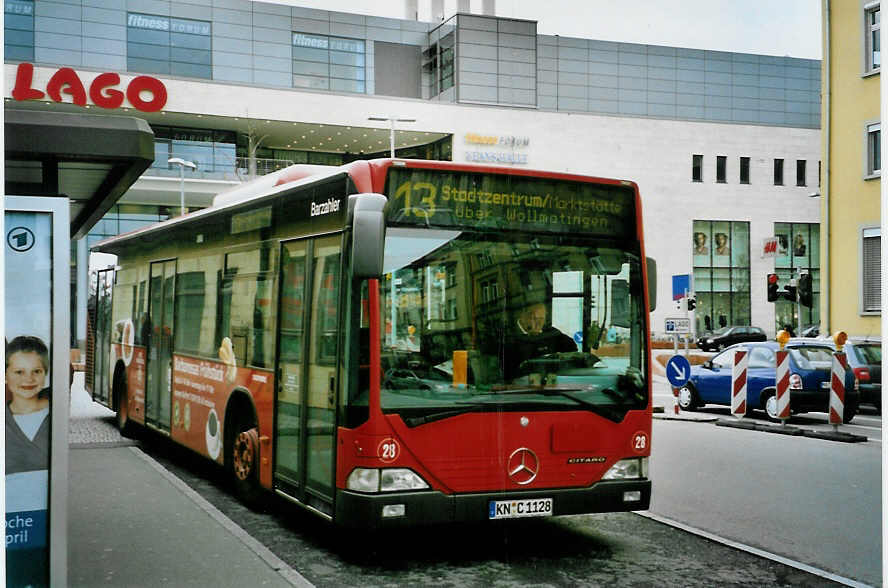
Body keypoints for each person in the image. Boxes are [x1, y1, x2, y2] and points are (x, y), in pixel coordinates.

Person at [6, 335, 51, 475]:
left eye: (36, 371)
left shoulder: (56, 414)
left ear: (45, 374)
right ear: (5, 375)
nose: (28, 379)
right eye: (19, 372)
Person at [500, 302, 577, 381]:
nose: (539, 323)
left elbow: (571, 349)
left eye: (542, 319)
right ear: (523, 316)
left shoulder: (550, 332)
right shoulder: (507, 334)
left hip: (548, 384)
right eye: (535, 318)